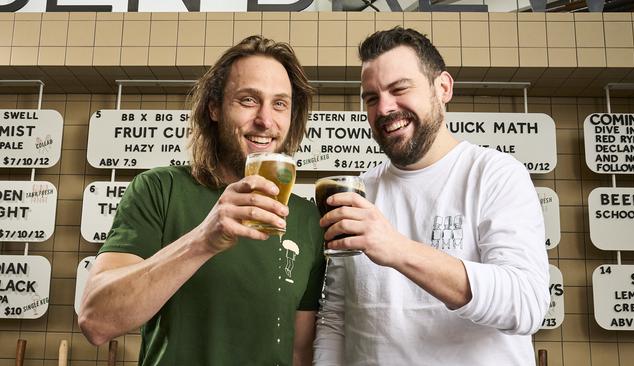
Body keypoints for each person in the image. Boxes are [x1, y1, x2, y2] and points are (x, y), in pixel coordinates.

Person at [78, 36, 326, 366]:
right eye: (249, 100)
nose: (266, 120)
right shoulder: (159, 190)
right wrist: (204, 240)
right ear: (214, 108)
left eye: (280, 104)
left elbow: (299, 351)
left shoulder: (308, 218)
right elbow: (97, 321)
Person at [313, 27, 550, 365]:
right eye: (371, 98)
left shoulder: (494, 174)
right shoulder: (360, 193)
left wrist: (397, 249)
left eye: (399, 89)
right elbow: (336, 317)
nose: (384, 108)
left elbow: (526, 304)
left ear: (443, 88)